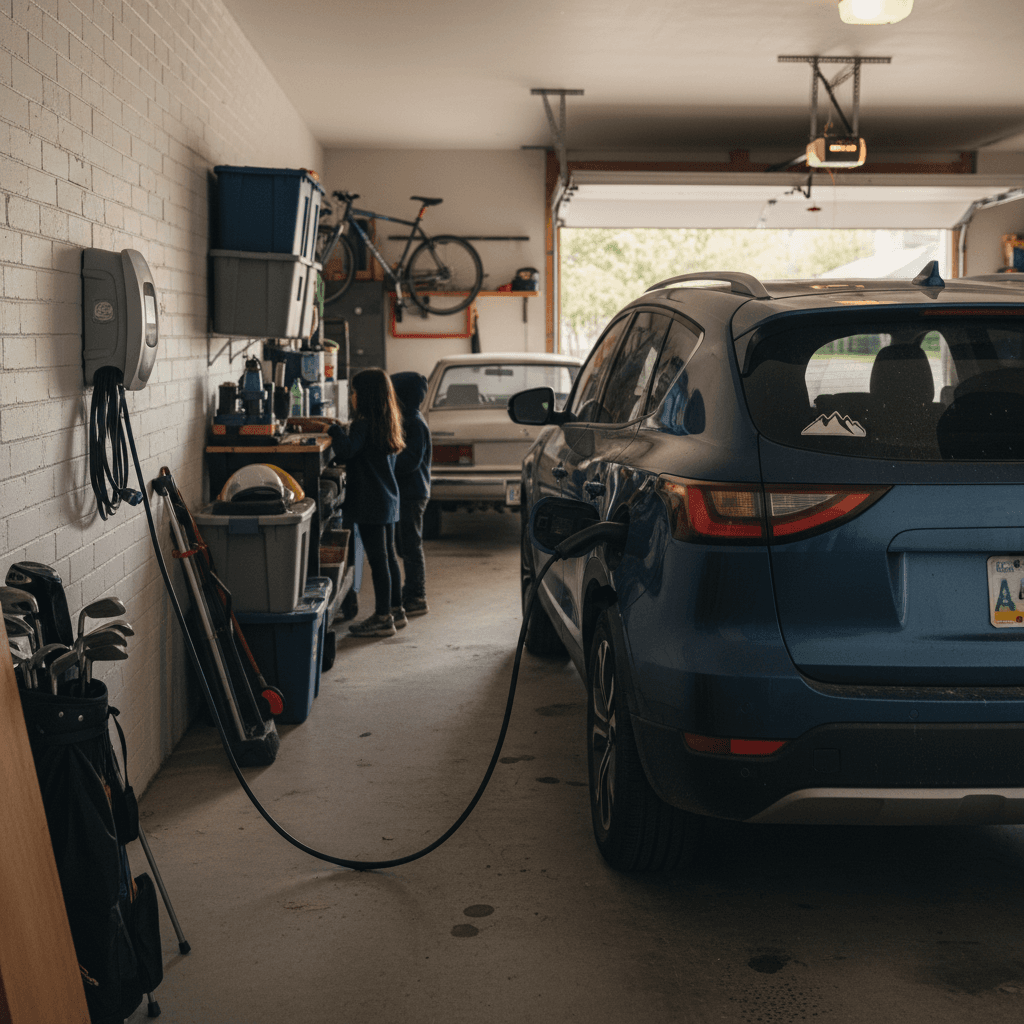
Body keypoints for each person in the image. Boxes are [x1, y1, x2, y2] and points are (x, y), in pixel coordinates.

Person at [327, 368, 405, 637]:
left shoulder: (362, 425)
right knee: (388, 558)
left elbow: (347, 450)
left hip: (370, 503)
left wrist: (334, 430)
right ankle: (397, 610)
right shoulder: (388, 422)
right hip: (388, 500)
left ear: (366, 396)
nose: (352, 396)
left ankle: (383, 618)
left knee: (378, 560)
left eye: (355, 392)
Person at [391, 372, 431, 616]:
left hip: (413, 494)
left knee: (411, 546)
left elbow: (409, 462)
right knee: (404, 545)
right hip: (406, 493)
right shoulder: (407, 420)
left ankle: (417, 595)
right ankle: (411, 590)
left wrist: (385, 459)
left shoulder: (414, 423)